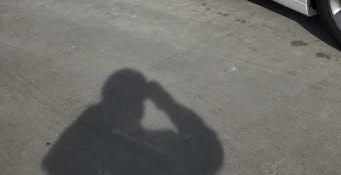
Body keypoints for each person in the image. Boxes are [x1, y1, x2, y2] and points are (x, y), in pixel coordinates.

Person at [43, 69, 223, 174]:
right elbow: (210, 151)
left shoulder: (80, 147)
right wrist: (167, 102)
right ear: (139, 107)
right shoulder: (156, 150)